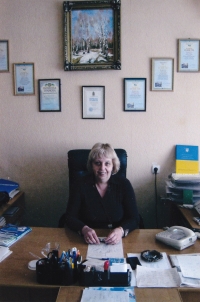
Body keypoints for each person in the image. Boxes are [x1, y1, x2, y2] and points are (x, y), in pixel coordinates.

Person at [65, 143, 139, 245]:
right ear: (91, 164)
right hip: (87, 241)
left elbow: (135, 218)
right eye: (98, 163)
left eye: (107, 163)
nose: (102, 168)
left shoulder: (124, 184)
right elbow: (69, 217)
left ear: (113, 165)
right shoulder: (80, 184)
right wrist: (84, 229)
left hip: (117, 241)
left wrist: (121, 231)